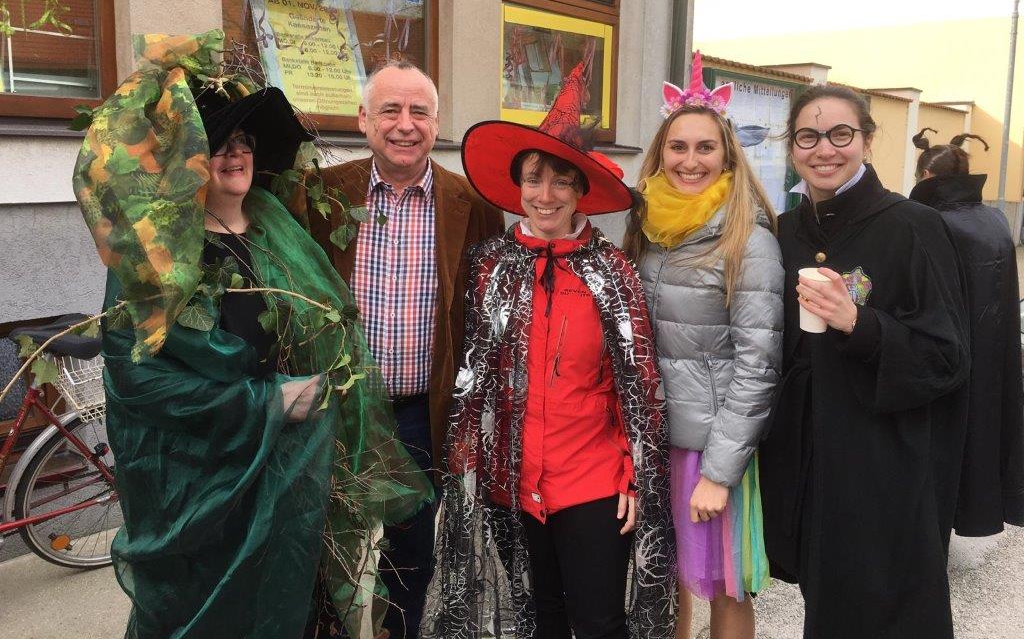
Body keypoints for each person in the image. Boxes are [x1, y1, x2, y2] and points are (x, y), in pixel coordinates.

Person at [72, 32, 430, 639]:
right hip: (204, 493)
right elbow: (138, 382)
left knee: (295, 609)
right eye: (216, 142)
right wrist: (267, 402)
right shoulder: (158, 257)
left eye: (243, 140)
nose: (234, 153)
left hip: (293, 484)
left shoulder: (277, 228)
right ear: (184, 158)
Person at [424, 63, 676, 639]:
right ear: (518, 186)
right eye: (534, 179)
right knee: (538, 620)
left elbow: (639, 387)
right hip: (510, 484)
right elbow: (474, 374)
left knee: (598, 623)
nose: (545, 196)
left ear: (581, 190)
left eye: (561, 181)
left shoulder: (612, 272)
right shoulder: (490, 265)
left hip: (592, 481)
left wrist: (635, 473)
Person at [758, 84, 970, 638]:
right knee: (825, 601)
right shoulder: (787, 230)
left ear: (868, 142)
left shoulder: (912, 226)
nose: (824, 149)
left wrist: (860, 323)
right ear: (792, 147)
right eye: (808, 136)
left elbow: (948, 358)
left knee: (888, 606)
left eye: (841, 134)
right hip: (809, 455)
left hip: (882, 463)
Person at [304, 60, 505, 638]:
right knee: (326, 550)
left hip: (421, 415)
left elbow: (486, 313)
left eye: (419, 111)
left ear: (436, 123)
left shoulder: (470, 203)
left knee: (409, 559)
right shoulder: (320, 195)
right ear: (363, 119)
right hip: (336, 410)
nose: (405, 124)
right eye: (390, 109)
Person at [623, 52, 782, 639]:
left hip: (711, 446)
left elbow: (758, 366)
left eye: (705, 147)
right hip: (654, 437)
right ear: (660, 152)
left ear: (727, 155)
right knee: (664, 578)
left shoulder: (747, 239)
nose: (690, 161)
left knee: (722, 584)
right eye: (678, 147)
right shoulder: (648, 226)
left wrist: (719, 471)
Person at [910, 129, 1024, 536]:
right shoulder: (994, 217)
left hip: (947, 360)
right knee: (980, 438)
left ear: (926, 176)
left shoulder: (931, 221)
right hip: (992, 355)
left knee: (942, 449)